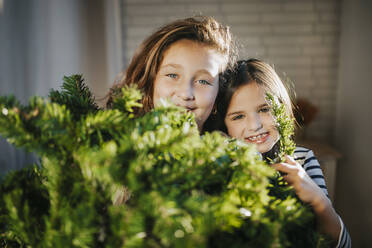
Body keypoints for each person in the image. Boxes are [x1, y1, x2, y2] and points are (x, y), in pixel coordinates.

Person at [216, 59, 351, 248]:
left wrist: (319, 201)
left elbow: (342, 245)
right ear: (223, 125)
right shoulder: (220, 166)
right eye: (238, 116)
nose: (255, 125)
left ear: (282, 108)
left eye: (264, 109)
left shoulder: (303, 160)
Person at [107, 16, 236, 133]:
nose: (186, 94)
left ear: (218, 93)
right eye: (173, 75)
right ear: (151, 81)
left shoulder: (235, 154)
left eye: (203, 81)